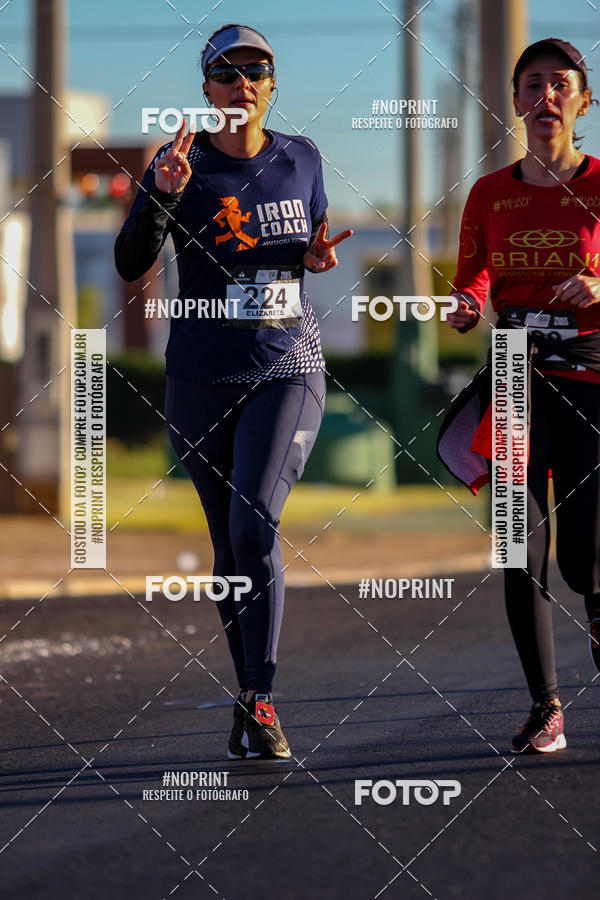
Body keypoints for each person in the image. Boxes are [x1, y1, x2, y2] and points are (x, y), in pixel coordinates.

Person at [114, 23, 352, 759]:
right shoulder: (179, 165)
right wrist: (159, 196)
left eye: (255, 70)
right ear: (208, 90)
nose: (241, 82)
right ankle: (249, 698)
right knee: (228, 548)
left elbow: (304, 249)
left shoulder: (302, 157)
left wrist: (312, 259)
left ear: (272, 85)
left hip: (287, 365)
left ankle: (263, 697)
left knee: (255, 526)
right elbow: (129, 262)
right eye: (225, 72)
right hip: (199, 375)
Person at [443, 38, 600, 753]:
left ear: (582, 101)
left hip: (589, 376)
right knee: (517, 545)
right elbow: (473, 273)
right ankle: (546, 707)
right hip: (513, 375)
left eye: (560, 84)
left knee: (586, 561)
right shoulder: (488, 193)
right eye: (532, 84)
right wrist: (468, 303)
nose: (546, 96)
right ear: (515, 102)